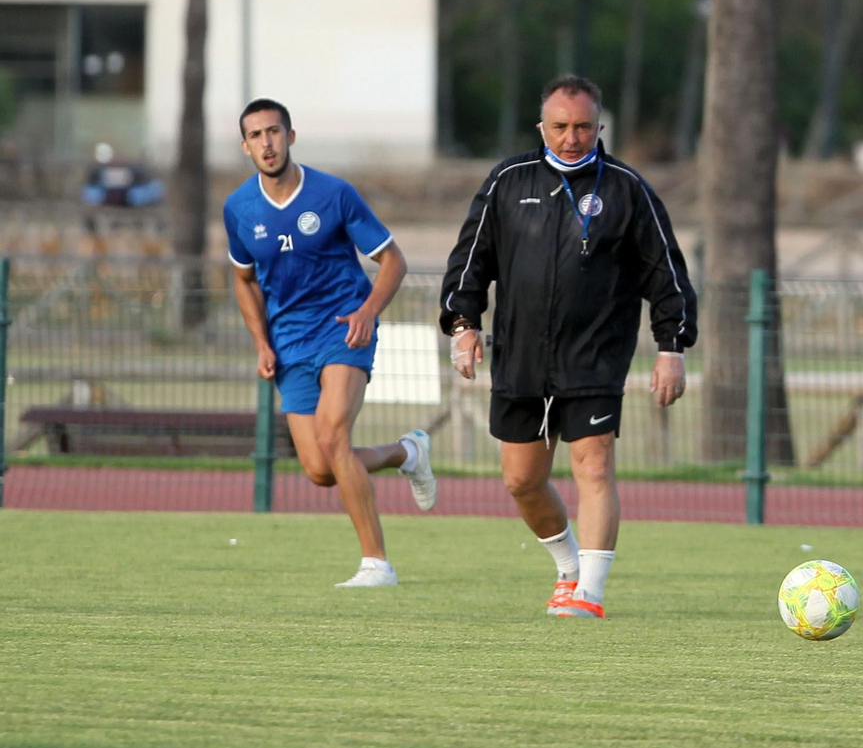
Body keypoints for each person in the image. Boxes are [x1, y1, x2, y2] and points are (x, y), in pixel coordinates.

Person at [441, 75, 696, 620]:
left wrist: (671, 346)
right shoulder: (508, 180)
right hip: (520, 359)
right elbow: (471, 260)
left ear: (598, 126)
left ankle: (591, 595)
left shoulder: (627, 189)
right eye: (560, 127)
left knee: (595, 467)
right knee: (521, 480)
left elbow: (666, 274)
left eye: (582, 127)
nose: (571, 137)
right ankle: (568, 569)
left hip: (595, 358)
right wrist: (463, 324)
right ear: (542, 127)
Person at [224, 98, 438, 588]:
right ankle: (407, 453)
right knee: (321, 470)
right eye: (256, 136)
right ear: (245, 147)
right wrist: (261, 342)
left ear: (291, 136)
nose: (267, 143)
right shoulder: (238, 207)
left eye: (274, 132)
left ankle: (376, 564)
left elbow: (394, 261)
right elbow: (243, 280)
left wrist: (367, 312)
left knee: (333, 439)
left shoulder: (333, 193)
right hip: (289, 342)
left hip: (344, 328)